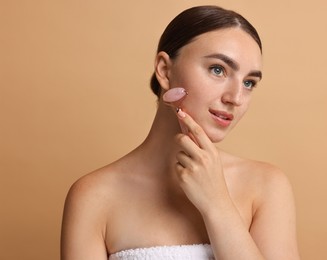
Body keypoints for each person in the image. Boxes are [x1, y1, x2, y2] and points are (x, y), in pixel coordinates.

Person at [61, 5, 300, 260]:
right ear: (164, 70)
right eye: (218, 69)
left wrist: (217, 204)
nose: (236, 98)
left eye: (249, 82)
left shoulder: (265, 186)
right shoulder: (93, 197)